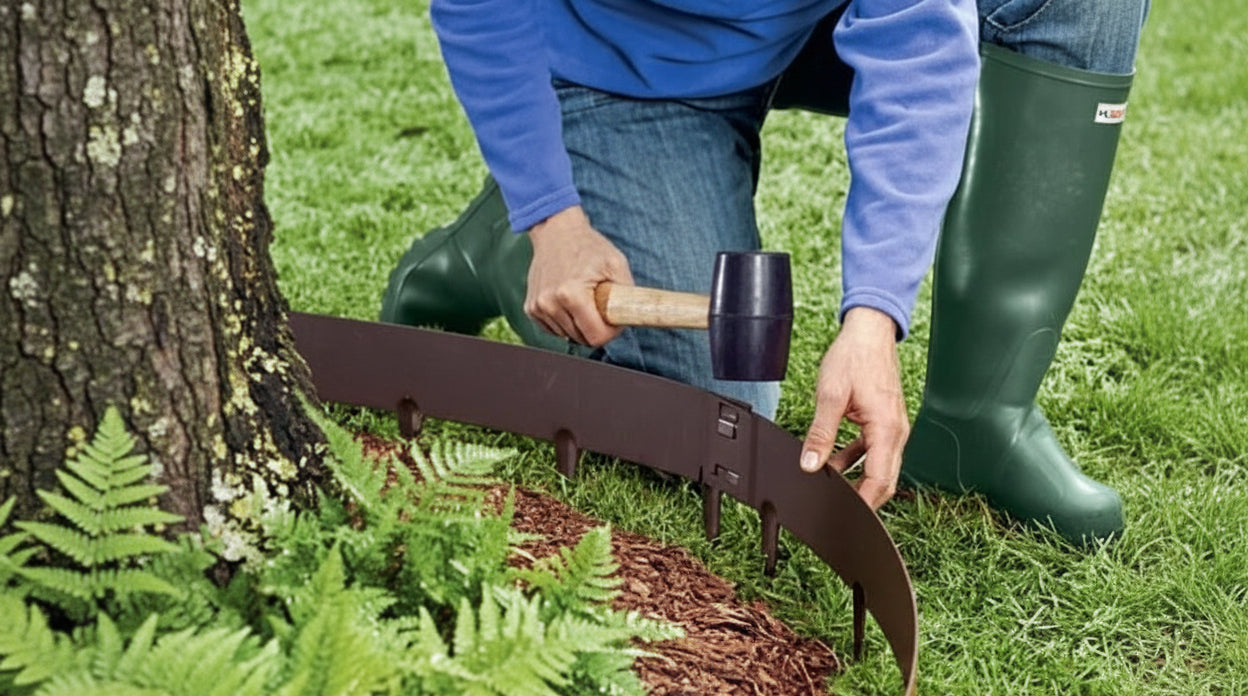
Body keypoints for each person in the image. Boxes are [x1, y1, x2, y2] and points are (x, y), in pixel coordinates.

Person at [382, 0, 1148, 543]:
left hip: (805, 23)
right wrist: (554, 217)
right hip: (626, 61)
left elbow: (919, 39)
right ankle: (514, 240)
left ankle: (978, 422)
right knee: (724, 405)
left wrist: (873, 317)